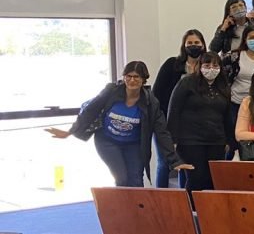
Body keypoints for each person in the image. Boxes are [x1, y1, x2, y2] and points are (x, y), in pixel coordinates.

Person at [45, 61, 192, 187]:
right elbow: (90, 110)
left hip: (134, 145)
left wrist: (174, 161)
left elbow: (162, 132)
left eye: (136, 77)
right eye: (128, 76)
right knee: (121, 178)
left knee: (135, 180)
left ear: (143, 80)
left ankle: (138, 214)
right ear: (124, 77)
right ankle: (122, 213)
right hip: (107, 142)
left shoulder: (151, 103)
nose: (132, 80)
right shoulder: (111, 92)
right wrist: (69, 132)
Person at [166, 52, 232, 193]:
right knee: (196, 178)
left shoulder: (223, 86)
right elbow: (174, 110)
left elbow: (227, 115)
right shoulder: (187, 82)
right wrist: (173, 139)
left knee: (212, 180)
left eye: (215, 65)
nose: (211, 69)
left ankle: (208, 212)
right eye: (207, 65)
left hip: (216, 141)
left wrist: (228, 140)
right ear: (200, 66)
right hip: (190, 141)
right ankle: (192, 212)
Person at [151, 29, 205, 188]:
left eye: (197, 43)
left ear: (203, 45)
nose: (193, 46)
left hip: (190, 127)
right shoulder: (172, 65)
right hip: (165, 123)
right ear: (184, 46)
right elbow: (156, 94)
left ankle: (183, 203)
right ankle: (160, 202)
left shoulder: (206, 67)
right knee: (165, 163)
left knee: (184, 165)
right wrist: (161, 121)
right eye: (190, 43)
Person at [223, 23, 254, 158]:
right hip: (236, 103)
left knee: (253, 141)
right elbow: (224, 77)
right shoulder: (235, 56)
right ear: (245, 39)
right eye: (252, 38)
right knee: (235, 141)